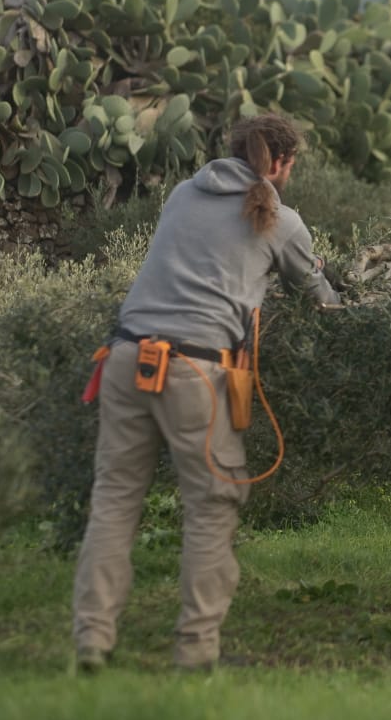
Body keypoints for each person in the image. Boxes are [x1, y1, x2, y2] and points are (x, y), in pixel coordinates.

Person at [72, 114, 341, 671]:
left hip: (124, 357)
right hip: (195, 372)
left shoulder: (180, 195)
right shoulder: (283, 221)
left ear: (232, 150)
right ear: (284, 163)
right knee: (212, 508)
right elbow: (317, 293)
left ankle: (92, 643)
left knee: (115, 503)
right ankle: (196, 654)